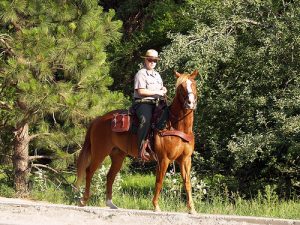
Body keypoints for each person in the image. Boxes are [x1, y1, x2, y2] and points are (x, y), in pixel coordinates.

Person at [133, 49, 167, 161]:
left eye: (155, 60)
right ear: (145, 60)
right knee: (145, 121)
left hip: (157, 103)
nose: (152, 62)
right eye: (150, 59)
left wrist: (163, 89)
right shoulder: (141, 74)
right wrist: (157, 92)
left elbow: (161, 89)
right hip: (143, 103)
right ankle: (140, 150)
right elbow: (141, 92)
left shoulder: (157, 75)